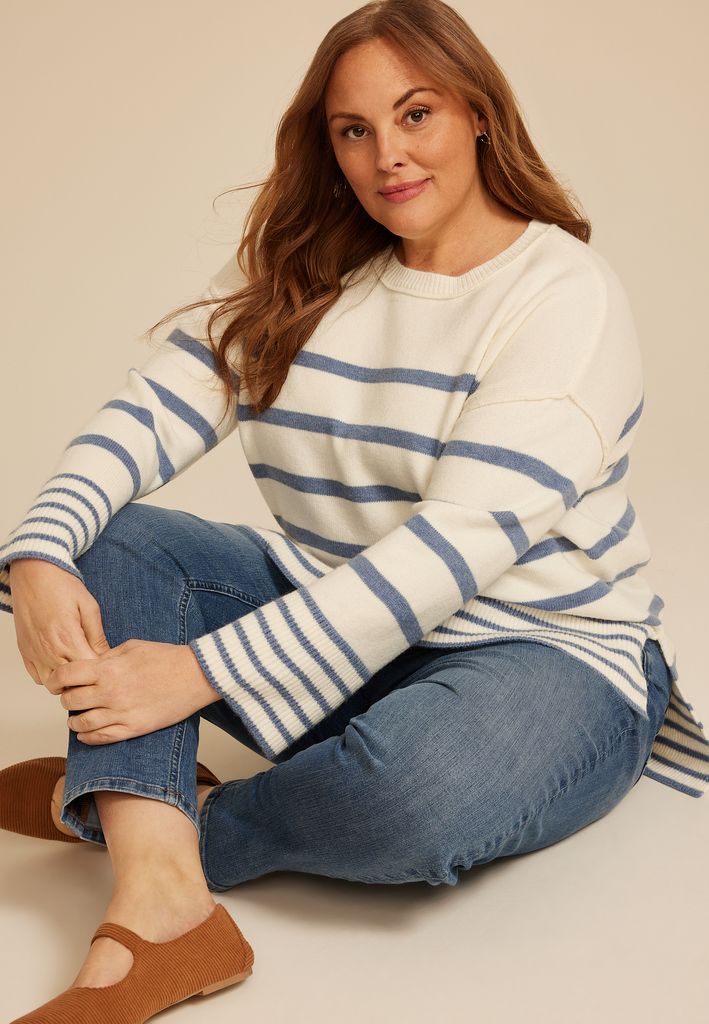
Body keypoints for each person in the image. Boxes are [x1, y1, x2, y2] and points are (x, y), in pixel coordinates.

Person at [1, 0, 706, 1020]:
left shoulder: (562, 296)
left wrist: (197, 672)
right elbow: (156, 406)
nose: (388, 156)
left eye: (416, 114)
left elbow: (446, 555)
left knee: (412, 794)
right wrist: (38, 551)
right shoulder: (305, 266)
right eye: (354, 129)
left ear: (477, 113)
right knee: (107, 543)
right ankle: (164, 904)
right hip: (341, 619)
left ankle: (143, 807)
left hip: (546, 654)